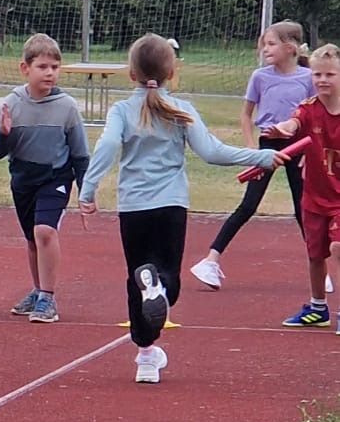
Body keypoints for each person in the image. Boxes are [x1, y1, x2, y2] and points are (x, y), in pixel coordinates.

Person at [80, 33, 275, 385]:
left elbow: (107, 145)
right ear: (172, 73)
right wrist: (259, 155)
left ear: (131, 74)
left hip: (133, 208)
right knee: (167, 277)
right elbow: (212, 152)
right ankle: (157, 290)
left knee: (136, 279)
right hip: (171, 206)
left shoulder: (121, 110)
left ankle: (145, 355)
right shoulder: (181, 109)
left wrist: (88, 189)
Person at [190, 21, 311, 297]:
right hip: (267, 146)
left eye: (271, 44)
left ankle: (319, 267)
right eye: (263, 44)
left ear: (290, 48)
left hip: (298, 147)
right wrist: (251, 150)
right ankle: (211, 259)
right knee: (248, 205)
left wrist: (309, 152)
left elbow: (314, 117)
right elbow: (246, 114)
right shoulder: (260, 77)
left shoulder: (307, 78)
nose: (265, 49)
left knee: (302, 208)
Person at [0, 32, 90, 324]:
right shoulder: (12, 103)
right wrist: (4, 134)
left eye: (54, 67)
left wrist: (85, 191)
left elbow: (81, 154)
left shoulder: (67, 106)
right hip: (23, 180)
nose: (49, 73)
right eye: (42, 67)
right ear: (25, 68)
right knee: (33, 238)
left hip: (55, 177)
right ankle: (37, 289)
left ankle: (48, 296)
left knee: (44, 230)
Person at [263, 43, 340, 332]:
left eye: (330, 74)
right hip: (315, 195)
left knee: (338, 246)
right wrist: (282, 129)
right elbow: (293, 123)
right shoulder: (308, 108)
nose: (322, 80)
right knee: (315, 254)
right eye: (317, 74)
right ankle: (318, 307)